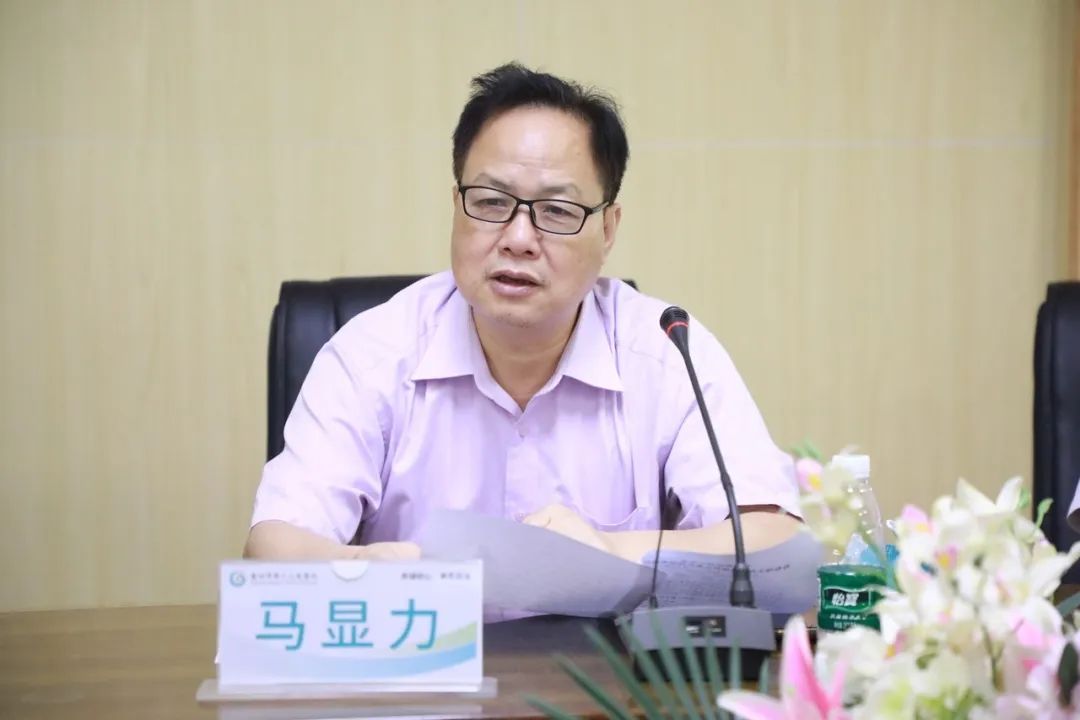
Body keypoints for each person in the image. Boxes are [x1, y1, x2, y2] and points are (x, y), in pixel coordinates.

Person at [245, 62, 802, 567]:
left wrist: (612, 550)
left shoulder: (664, 352)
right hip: (422, 647)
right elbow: (273, 549)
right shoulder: (372, 354)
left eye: (556, 211)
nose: (518, 238)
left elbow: (775, 540)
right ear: (457, 205)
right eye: (491, 202)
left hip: (606, 653)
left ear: (608, 229)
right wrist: (382, 569)